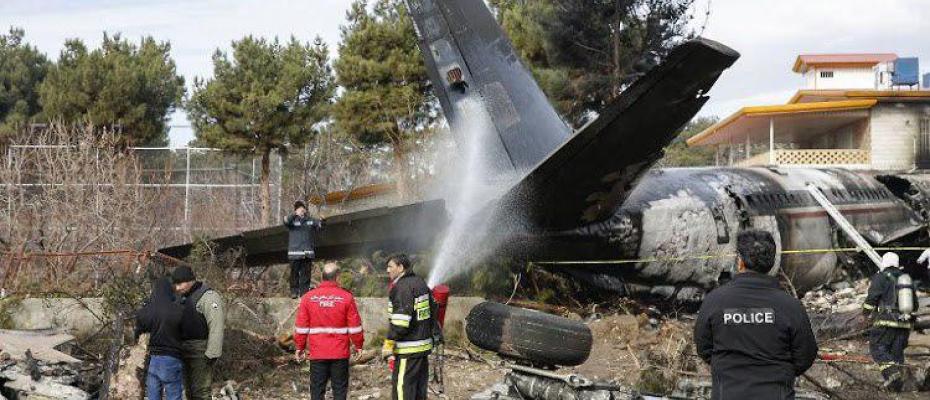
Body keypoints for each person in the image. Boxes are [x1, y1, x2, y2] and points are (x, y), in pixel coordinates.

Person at [694, 229, 818, 400]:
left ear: (740, 262)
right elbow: (805, 355)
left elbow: (704, 348)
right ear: (772, 262)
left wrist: (728, 369)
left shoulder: (714, 301)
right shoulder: (790, 306)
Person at [294, 262, 365, 400]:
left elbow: (301, 326)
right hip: (340, 353)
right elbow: (355, 327)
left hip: (317, 353)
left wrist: (299, 347)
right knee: (339, 391)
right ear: (337, 277)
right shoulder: (346, 297)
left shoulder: (308, 298)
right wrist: (358, 345)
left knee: (317, 391)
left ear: (322, 277)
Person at [863, 252, 919, 391]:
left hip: (886, 322)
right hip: (905, 323)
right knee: (897, 353)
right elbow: (916, 305)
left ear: (884, 263)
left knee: (877, 348)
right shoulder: (906, 279)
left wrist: (865, 313)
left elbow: (872, 299)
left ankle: (892, 374)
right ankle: (897, 386)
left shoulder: (881, 277)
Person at [381, 254, 434, 400]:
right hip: (422, 349)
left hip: (408, 350)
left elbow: (400, 322)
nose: (387, 270)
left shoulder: (402, 287)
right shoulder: (420, 283)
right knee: (419, 392)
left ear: (401, 267)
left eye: (390, 266)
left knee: (403, 391)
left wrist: (388, 343)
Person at [171, 266, 225, 400]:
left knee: (201, 392)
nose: (177, 288)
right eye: (175, 284)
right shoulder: (180, 297)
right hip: (182, 349)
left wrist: (213, 352)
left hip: (201, 350)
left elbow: (216, 325)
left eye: (180, 284)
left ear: (190, 280)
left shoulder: (208, 296)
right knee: (189, 391)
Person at [135, 277, 185, 400]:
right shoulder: (179, 310)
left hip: (154, 360)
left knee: (153, 396)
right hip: (173, 359)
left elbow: (140, 324)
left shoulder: (150, 309)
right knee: (173, 396)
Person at [285, 200, 323, 298]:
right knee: (294, 273)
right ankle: (294, 292)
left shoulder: (310, 220)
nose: (301, 210)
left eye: (302, 208)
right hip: (294, 253)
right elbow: (286, 221)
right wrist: (295, 214)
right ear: (296, 210)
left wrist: (323, 220)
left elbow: (320, 226)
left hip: (307, 253)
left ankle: (304, 293)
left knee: (306, 274)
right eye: (299, 208)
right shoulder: (292, 221)